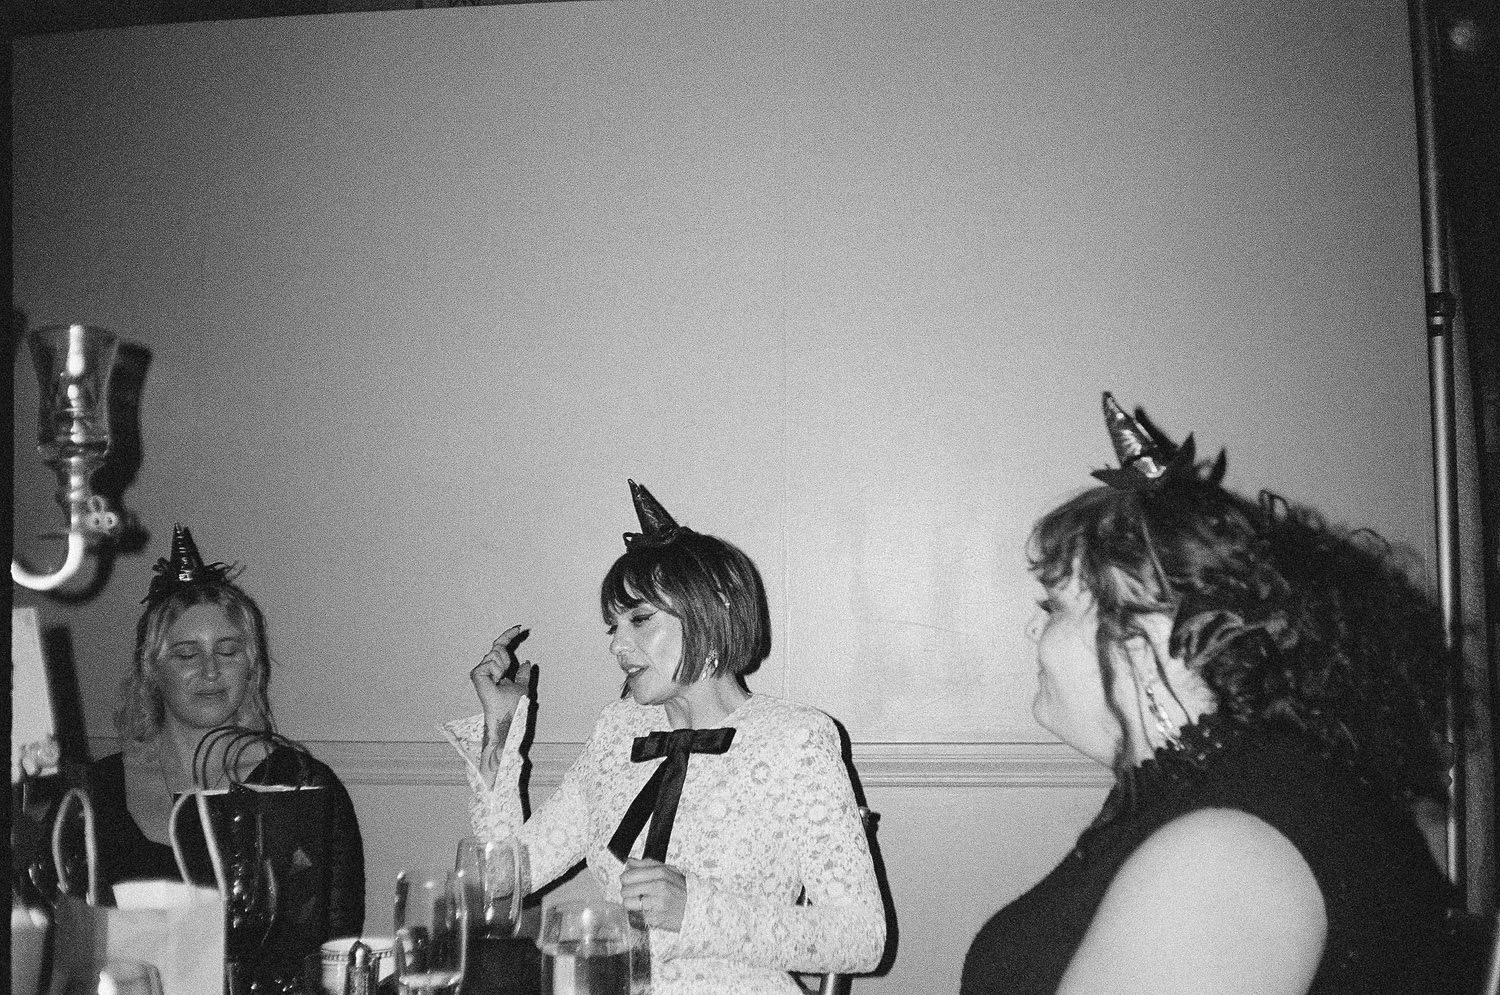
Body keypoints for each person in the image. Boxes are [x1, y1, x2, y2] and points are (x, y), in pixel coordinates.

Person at [961, 393, 1477, 995]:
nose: (1033, 629)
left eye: (1054, 606)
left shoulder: (1229, 852)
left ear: (1147, 629)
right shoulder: (1224, 791)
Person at [442, 481, 885, 995]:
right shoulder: (618, 731)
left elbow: (861, 939)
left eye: (640, 619)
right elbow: (502, 883)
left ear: (711, 611)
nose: (617, 645)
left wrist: (696, 910)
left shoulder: (795, 740)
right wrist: (500, 733)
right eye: (613, 625)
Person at [84, 524, 365, 941]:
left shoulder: (302, 786)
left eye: (228, 651)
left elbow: (335, 942)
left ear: (252, 666)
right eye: (186, 654)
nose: (211, 670)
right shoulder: (96, 790)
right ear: (151, 667)